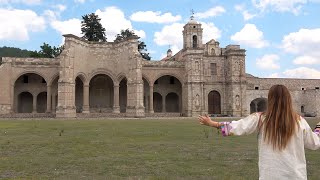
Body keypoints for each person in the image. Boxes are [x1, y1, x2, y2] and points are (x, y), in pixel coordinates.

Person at [198, 84, 320, 180]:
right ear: (289, 99)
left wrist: (213, 124)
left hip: (270, 175)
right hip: (295, 175)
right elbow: (314, 143)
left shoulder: (260, 118)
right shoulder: (300, 121)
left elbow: (238, 127)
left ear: (270, 99)